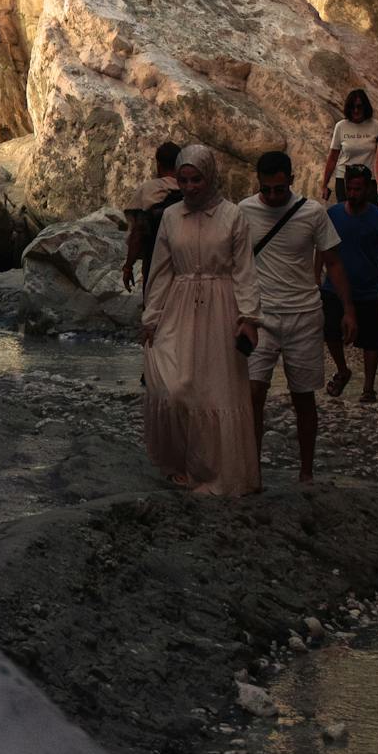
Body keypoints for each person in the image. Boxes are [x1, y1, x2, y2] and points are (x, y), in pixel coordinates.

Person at [141, 143, 262, 493]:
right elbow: (161, 272)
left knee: (214, 391)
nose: (191, 187)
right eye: (184, 180)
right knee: (175, 388)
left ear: (209, 178)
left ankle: (213, 472)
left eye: (197, 180)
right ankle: (183, 461)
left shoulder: (232, 216)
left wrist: (249, 317)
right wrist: (151, 318)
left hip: (222, 308)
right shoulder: (170, 216)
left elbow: (244, 271)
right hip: (178, 307)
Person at [239, 148, 354, 484]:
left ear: (291, 180)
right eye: (266, 189)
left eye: (279, 189)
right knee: (253, 393)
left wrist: (348, 310)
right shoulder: (243, 212)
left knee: (303, 396)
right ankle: (252, 470)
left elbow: (333, 262)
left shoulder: (313, 213)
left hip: (304, 314)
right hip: (260, 315)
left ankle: (306, 471)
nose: (273, 196)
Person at [322, 162, 378, 400]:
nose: (353, 194)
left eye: (358, 189)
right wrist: (315, 276)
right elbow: (321, 247)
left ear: (368, 190)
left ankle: (368, 388)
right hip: (333, 286)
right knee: (330, 332)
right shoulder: (333, 214)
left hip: (367, 287)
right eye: (350, 189)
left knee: (371, 341)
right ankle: (343, 370)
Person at [121, 140, 181, 292]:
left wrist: (128, 266)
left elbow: (138, 232)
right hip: (186, 266)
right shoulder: (190, 191)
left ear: (159, 165)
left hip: (155, 264)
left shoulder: (149, 190)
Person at [322, 88, 378, 198]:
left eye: (359, 106)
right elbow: (333, 157)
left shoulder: (376, 126)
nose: (356, 110)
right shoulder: (341, 126)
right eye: (352, 107)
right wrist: (324, 185)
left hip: (369, 180)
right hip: (345, 180)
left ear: (365, 107)